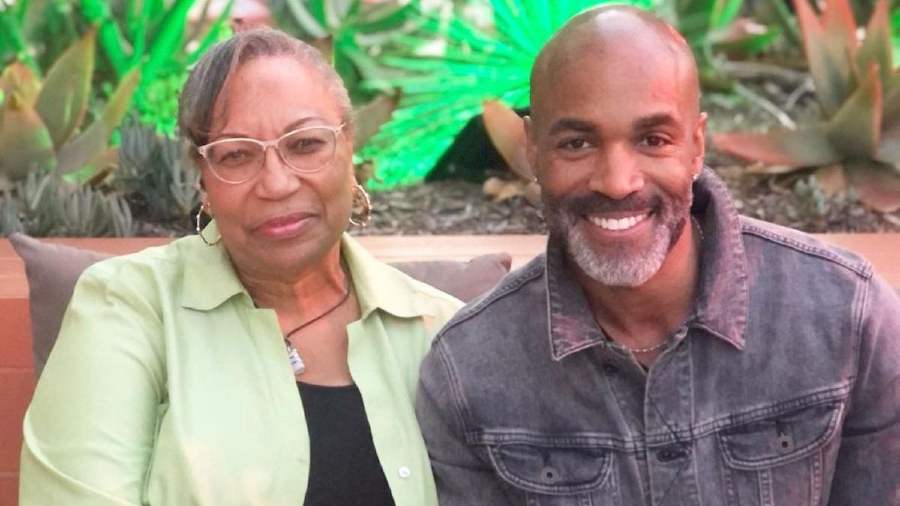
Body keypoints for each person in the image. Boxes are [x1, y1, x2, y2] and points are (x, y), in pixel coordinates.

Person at [416, 6, 900, 505]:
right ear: (533, 151)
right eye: (577, 142)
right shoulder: (469, 372)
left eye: (653, 140)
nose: (617, 181)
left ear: (696, 146)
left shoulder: (847, 318)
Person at [20, 28, 462, 505]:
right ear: (203, 181)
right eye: (236, 155)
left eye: (306, 144)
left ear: (350, 148)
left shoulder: (444, 331)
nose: (276, 183)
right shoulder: (130, 309)